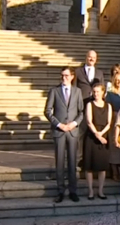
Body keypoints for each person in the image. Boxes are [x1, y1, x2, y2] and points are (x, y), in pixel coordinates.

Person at [44, 66, 84, 203]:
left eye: (66, 75)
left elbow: (81, 112)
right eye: (62, 75)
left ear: (72, 76)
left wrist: (74, 123)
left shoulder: (77, 92)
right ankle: (60, 190)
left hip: (72, 131)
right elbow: (48, 111)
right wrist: (59, 124)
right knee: (59, 162)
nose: (64, 78)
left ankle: (73, 190)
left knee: (72, 162)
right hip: (59, 131)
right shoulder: (54, 91)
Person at [75, 50, 105, 167]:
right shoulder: (78, 72)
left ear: (96, 59)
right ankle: (78, 159)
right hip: (81, 107)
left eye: (93, 57)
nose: (91, 59)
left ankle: (91, 159)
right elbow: (74, 88)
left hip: (95, 107)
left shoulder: (99, 73)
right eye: (89, 57)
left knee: (93, 134)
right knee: (80, 134)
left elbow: (102, 89)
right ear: (86, 58)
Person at [84, 83, 112, 200]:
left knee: (102, 166)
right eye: (94, 91)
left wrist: (101, 134)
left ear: (103, 92)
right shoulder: (90, 104)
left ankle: (100, 190)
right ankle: (90, 190)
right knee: (89, 166)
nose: (96, 94)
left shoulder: (108, 106)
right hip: (92, 136)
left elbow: (109, 123)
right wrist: (97, 135)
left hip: (104, 135)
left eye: (98, 91)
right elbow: (89, 121)